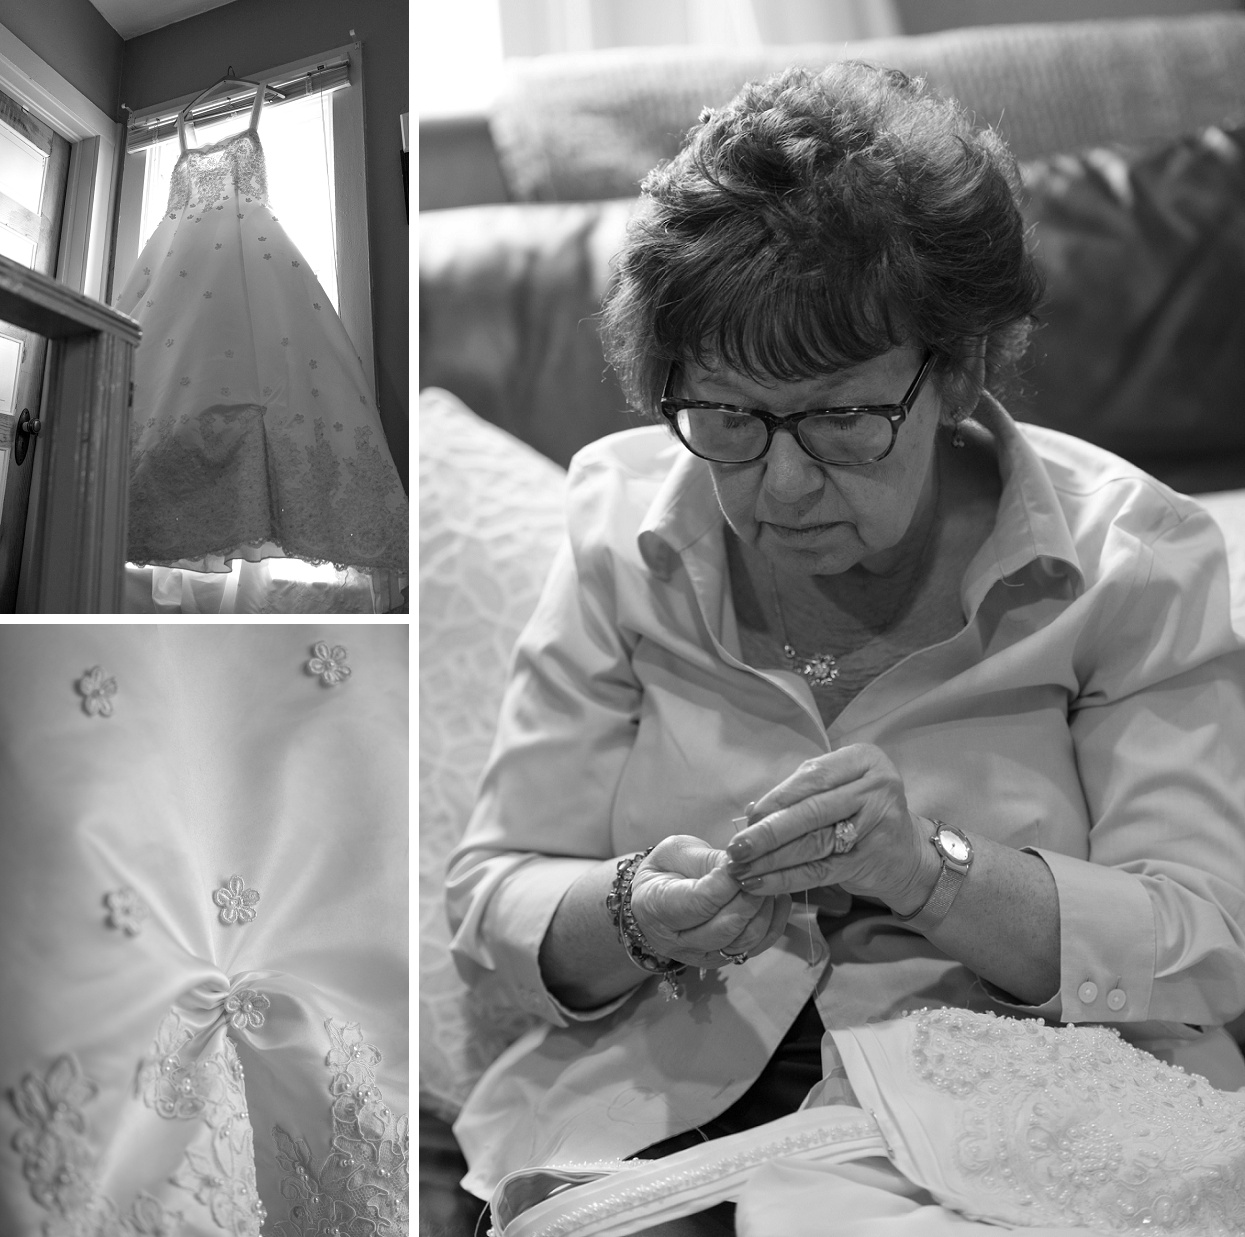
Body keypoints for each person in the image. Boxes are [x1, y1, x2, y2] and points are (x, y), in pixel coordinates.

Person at [446, 61, 1245, 1233]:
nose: (777, 484)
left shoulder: (1135, 561)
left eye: (837, 418)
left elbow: (1210, 938)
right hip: (654, 1128)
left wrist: (933, 873)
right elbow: (494, 893)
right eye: (725, 415)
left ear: (960, 370)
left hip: (1011, 1138)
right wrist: (630, 911)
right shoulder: (622, 537)